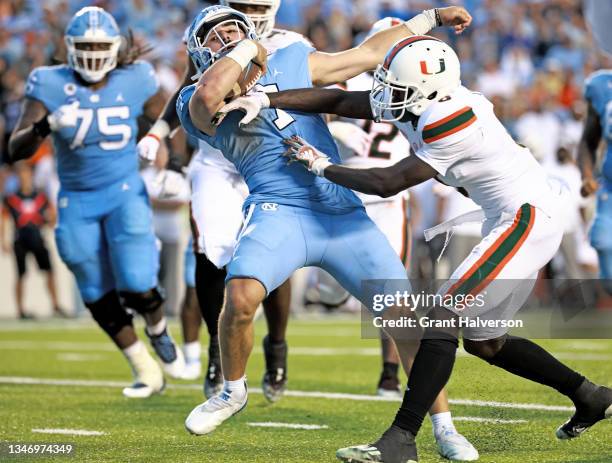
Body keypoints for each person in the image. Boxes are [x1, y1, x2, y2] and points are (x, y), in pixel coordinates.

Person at [230, 34, 612, 462]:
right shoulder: (419, 98)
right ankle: (590, 395)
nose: (384, 92)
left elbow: (386, 182)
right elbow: (339, 103)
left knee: (444, 315)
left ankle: (401, 439)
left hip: (526, 217)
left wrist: (321, 164)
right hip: (507, 214)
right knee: (484, 341)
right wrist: (268, 100)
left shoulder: (450, 117)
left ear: (428, 89)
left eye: (396, 85)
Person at [178, 6, 480, 461]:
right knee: (239, 299)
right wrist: (247, 48)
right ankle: (232, 391)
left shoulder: (289, 57)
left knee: (405, 322)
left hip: (341, 211)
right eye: (217, 38)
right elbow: (211, 94)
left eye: (234, 32)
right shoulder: (192, 99)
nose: (228, 40)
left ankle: (444, 427)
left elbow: (368, 53)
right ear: (201, 52)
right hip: (279, 209)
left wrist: (429, 18)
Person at [8, 6, 184, 398]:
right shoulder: (49, 84)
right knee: (93, 287)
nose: (90, 53)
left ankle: (157, 328)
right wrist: (45, 125)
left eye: (97, 45)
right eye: (83, 45)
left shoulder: (136, 78)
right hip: (77, 200)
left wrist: (171, 160)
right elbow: (16, 148)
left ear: (113, 48)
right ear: (69, 48)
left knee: (137, 281)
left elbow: (169, 115)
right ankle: (144, 369)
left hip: (124, 192)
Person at [137, 0, 299, 402]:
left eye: (257, 5)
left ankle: (276, 344)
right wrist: (160, 133)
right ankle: (217, 346)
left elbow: (314, 89)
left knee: (278, 253)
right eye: (242, 5)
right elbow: (191, 86)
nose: (250, 12)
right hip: (216, 157)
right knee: (211, 254)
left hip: (268, 154)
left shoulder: (293, 44)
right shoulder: (217, 33)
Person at [0, 161, 66, 319]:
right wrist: (3, 240)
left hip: (38, 237)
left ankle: (56, 305)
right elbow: (4, 218)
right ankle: (20, 309)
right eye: (21, 174)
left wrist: (50, 220)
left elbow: (52, 214)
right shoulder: (12, 198)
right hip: (20, 239)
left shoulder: (40, 196)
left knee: (49, 271)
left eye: (27, 173)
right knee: (21, 274)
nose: (25, 177)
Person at [578, 69, 612, 295]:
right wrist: (587, 175)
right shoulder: (601, 86)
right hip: (609, 189)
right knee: (603, 241)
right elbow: (588, 140)